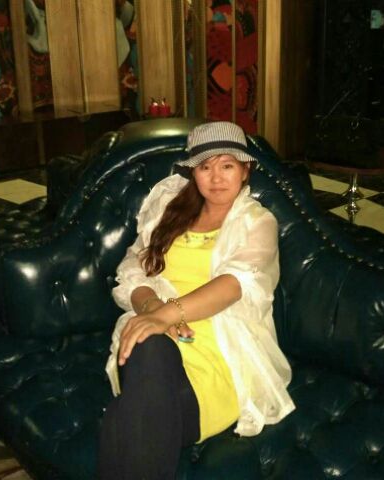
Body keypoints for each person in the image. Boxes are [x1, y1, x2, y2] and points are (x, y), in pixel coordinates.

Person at [99, 121, 295, 479]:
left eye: (227, 165)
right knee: (148, 346)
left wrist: (165, 316)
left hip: (221, 346)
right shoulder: (169, 207)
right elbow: (132, 269)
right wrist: (152, 310)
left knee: (129, 412)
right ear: (193, 171)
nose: (216, 177)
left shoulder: (256, 222)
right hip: (154, 333)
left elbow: (234, 284)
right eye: (205, 167)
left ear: (245, 170)